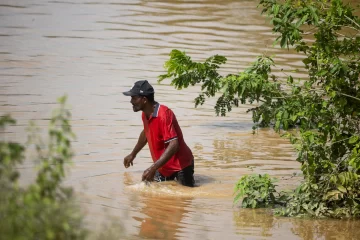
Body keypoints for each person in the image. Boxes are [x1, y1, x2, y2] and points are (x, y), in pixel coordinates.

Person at [122, 80, 195, 187]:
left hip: (180, 167)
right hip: (163, 167)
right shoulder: (145, 114)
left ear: (144, 100)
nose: (131, 101)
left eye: (134, 98)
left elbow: (174, 144)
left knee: (185, 198)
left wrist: (152, 168)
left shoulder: (163, 114)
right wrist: (133, 154)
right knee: (154, 196)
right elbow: (146, 132)